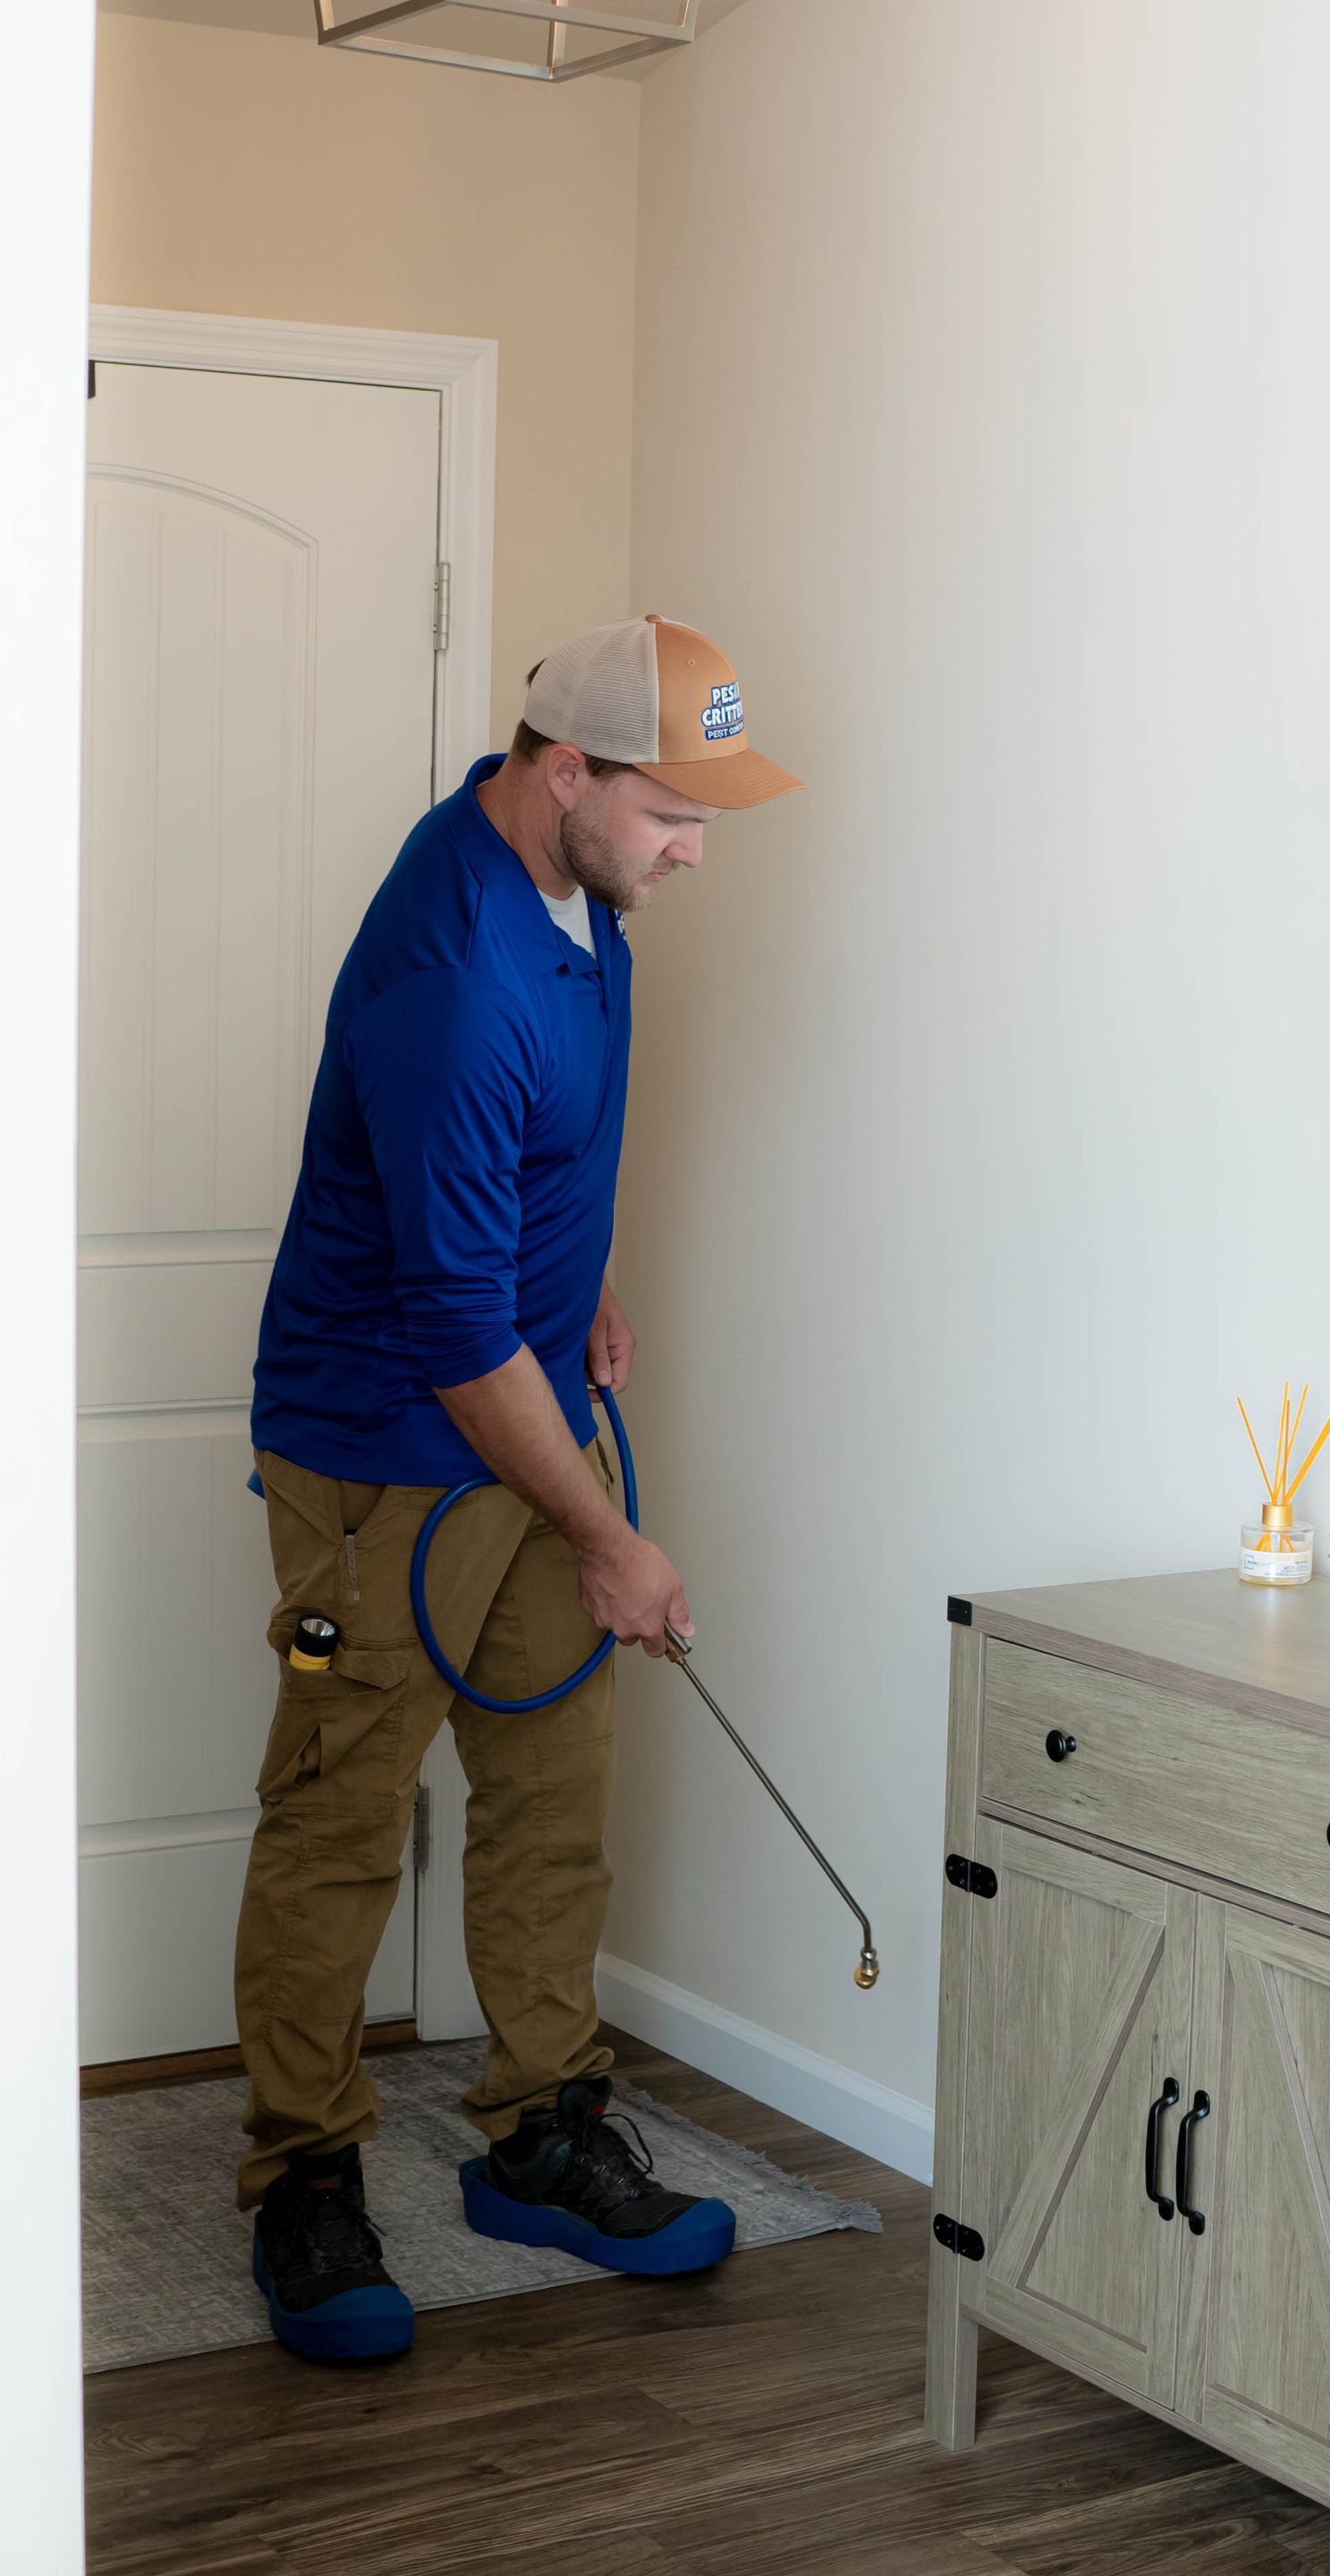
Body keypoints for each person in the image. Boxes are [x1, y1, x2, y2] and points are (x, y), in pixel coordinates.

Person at [236, 614, 801, 2361]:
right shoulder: (452, 972)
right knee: (341, 1821)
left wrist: (587, 1275)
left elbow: (529, 1181)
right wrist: (614, 1539)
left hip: (523, 1393)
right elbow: (454, 1329)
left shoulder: (578, 881)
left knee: (552, 1795)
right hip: (390, 1453)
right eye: (673, 813)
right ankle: (302, 2176)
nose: (696, 852)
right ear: (567, 772)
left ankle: (537, 2134)